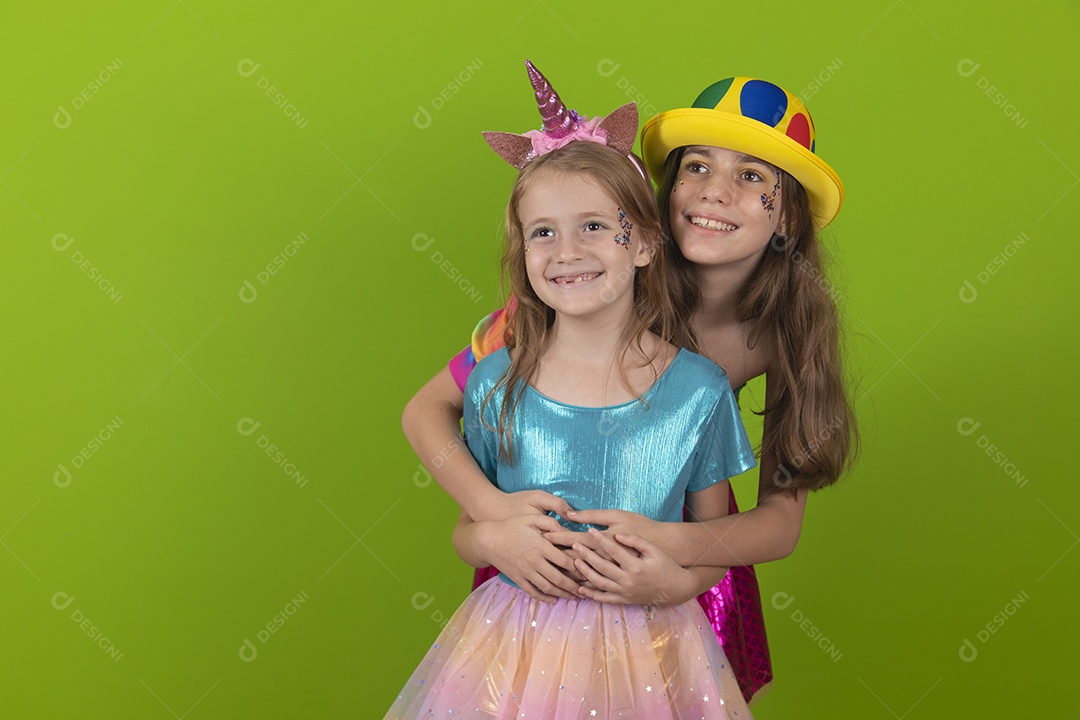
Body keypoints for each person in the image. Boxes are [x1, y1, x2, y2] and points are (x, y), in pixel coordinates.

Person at [403, 71, 858, 704]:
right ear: (663, 197)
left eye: (753, 176)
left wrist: (669, 561)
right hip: (546, 558)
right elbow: (430, 407)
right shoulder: (589, 278)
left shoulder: (781, 336)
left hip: (685, 569)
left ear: (787, 216)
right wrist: (492, 516)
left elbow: (780, 522)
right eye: (697, 167)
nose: (716, 192)